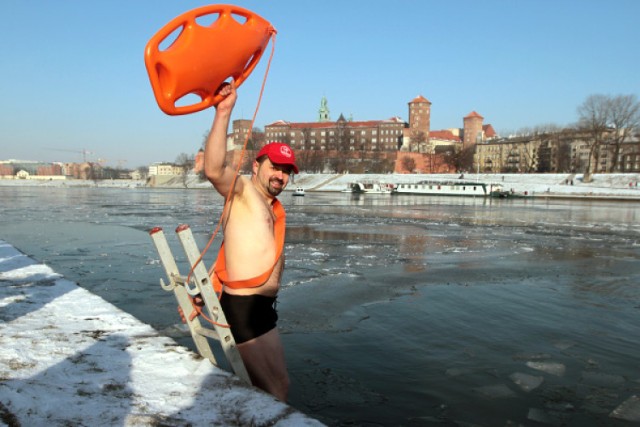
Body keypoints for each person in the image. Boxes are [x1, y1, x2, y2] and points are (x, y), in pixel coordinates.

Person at [203, 81, 297, 402]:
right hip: (244, 308)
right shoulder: (242, 192)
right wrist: (224, 111)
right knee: (276, 390)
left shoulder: (270, 205)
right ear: (256, 165)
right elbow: (215, 169)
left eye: (286, 172)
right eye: (275, 167)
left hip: (262, 308)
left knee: (270, 387)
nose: (280, 176)